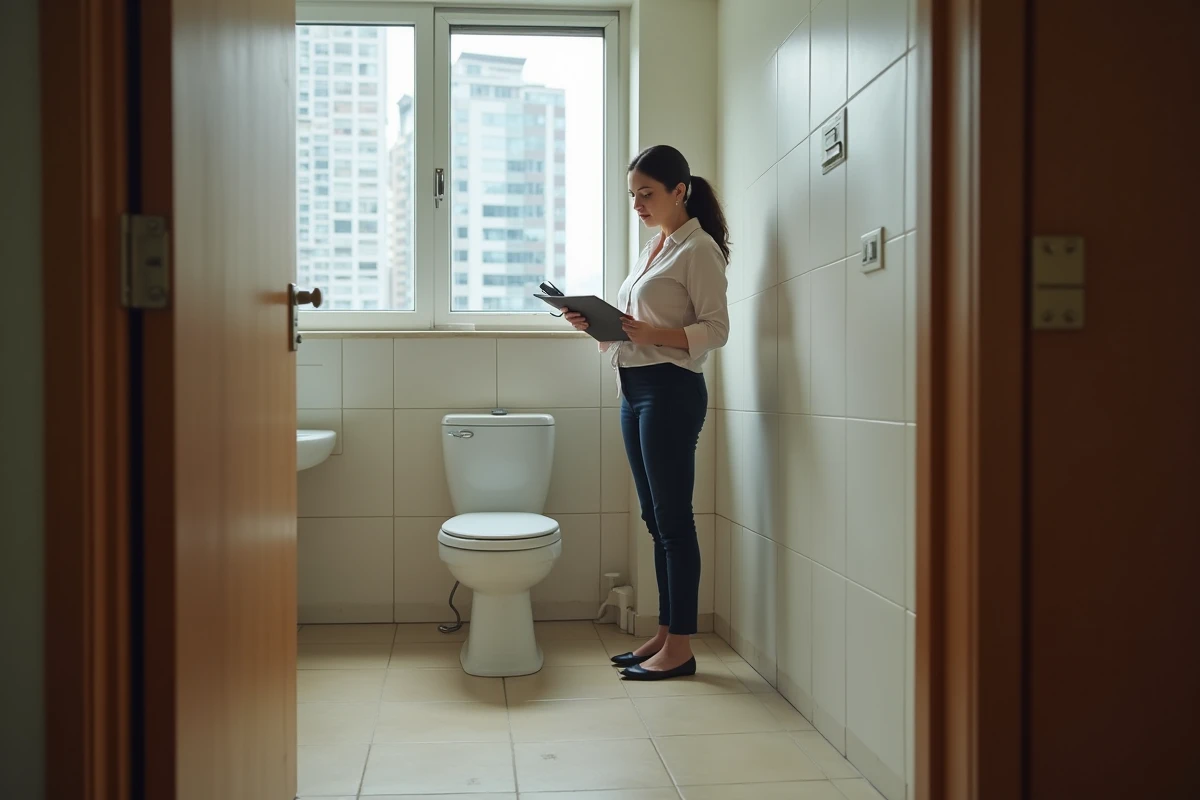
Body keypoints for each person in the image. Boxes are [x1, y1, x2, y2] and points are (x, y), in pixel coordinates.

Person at [563, 145, 730, 681]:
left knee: (675, 522)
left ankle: (681, 646)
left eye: (647, 193)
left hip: (671, 391)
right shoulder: (653, 247)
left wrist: (650, 333)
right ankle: (664, 632)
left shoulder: (699, 249)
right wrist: (598, 326)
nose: (637, 203)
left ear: (679, 191)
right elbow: (636, 326)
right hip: (633, 388)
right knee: (654, 520)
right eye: (633, 194)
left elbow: (717, 330)